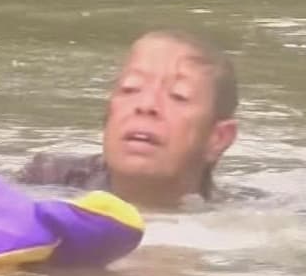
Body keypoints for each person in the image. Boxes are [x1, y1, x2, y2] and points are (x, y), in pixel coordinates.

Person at [17, 29, 240, 209]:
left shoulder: (245, 220)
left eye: (178, 96)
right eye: (130, 89)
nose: (146, 106)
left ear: (218, 138)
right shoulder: (46, 181)